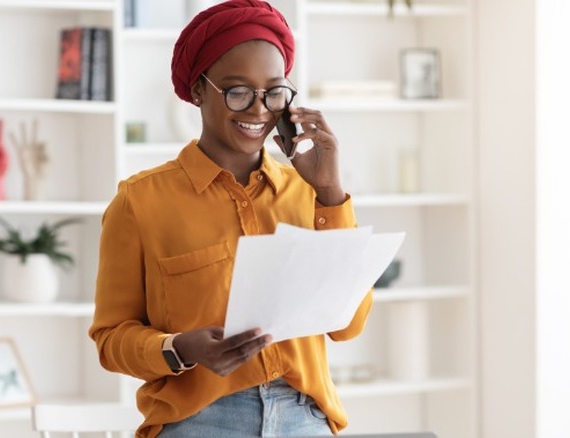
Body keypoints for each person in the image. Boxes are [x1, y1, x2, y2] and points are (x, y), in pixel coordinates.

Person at [89, 1, 373, 436]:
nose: (259, 110)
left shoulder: (309, 193)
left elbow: (348, 326)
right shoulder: (140, 202)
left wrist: (331, 194)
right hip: (202, 422)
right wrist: (179, 348)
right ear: (198, 92)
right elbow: (111, 340)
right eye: (237, 91)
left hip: (305, 419)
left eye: (274, 93)